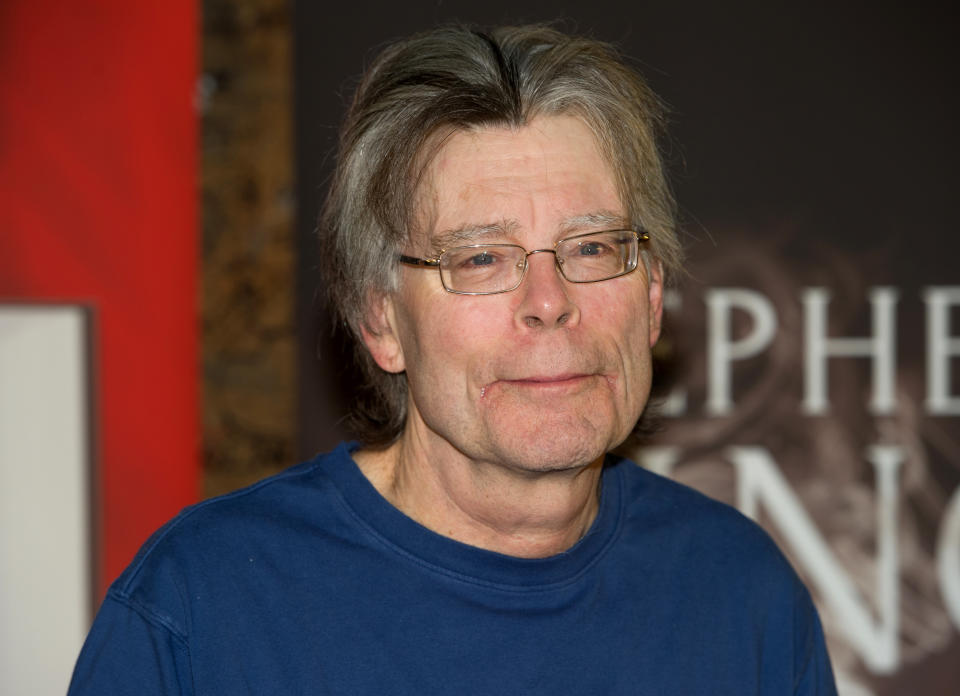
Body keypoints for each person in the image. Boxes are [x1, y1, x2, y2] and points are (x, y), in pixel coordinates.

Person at [69, 24, 837, 694]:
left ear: (654, 296)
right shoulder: (204, 610)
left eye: (594, 247)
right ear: (381, 320)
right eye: (480, 259)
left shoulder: (741, 595)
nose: (548, 299)